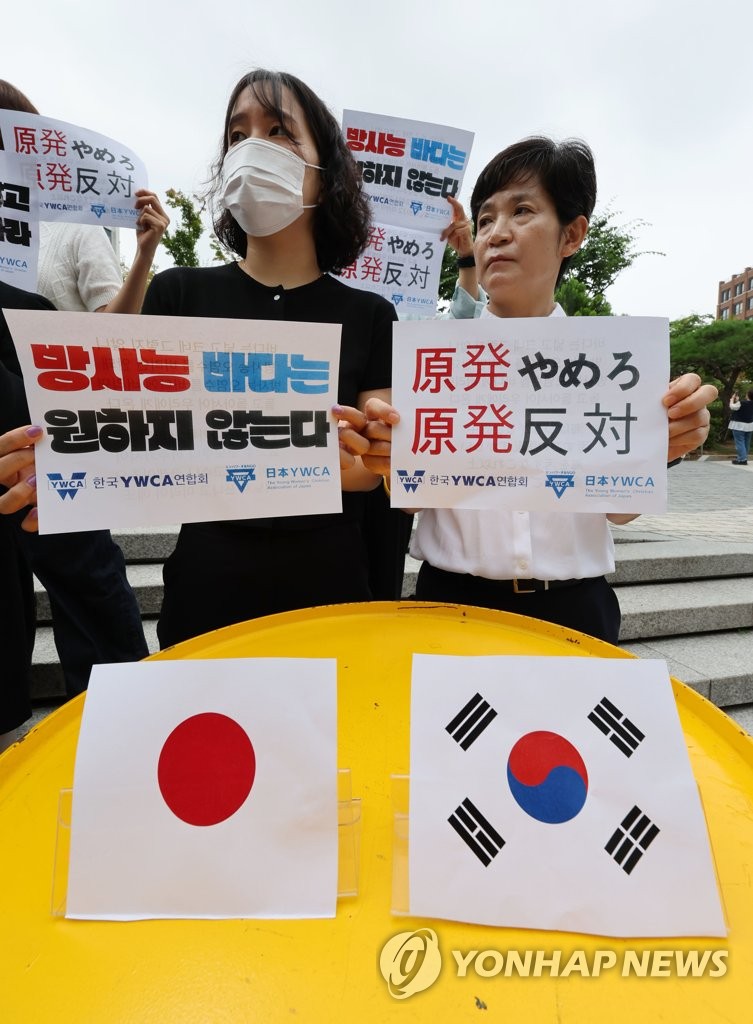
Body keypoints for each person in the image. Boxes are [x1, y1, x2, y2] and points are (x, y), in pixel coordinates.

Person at [386, 137, 717, 644]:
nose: (496, 233)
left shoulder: (613, 368)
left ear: (572, 234)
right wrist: (386, 458)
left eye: (522, 211)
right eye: (487, 217)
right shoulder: (435, 363)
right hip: (450, 608)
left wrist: (665, 444)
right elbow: (410, 501)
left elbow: (620, 509)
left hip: (574, 610)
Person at [141, 69, 398, 647]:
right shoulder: (178, 295)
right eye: (238, 135)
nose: (251, 147)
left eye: (279, 131)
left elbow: (375, 465)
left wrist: (348, 453)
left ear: (324, 172)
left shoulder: (371, 314)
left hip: (328, 594)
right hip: (207, 587)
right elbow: (129, 437)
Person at [0, 80, 166, 700]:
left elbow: (111, 338)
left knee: (90, 592)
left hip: (58, 437)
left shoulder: (71, 226)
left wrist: (145, 253)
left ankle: (119, 715)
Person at [728, 389, 753, 465]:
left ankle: (742, 459)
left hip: (738, 425)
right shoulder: (743, 403)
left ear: (748, 395)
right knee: (746, 443)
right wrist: (738, 400)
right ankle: (742, 458)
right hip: (750, 426)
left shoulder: (742, 403)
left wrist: (732, 400)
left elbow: (732, 407)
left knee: (739, 442)